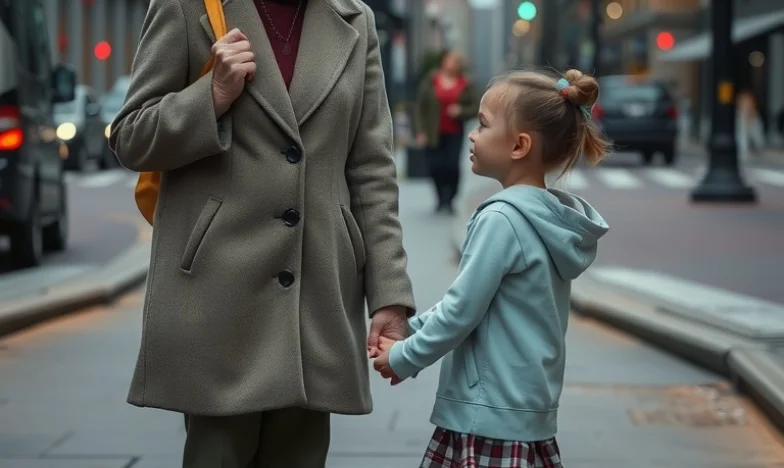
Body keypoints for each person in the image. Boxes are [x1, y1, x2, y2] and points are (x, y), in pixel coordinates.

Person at [109, 0, 416, 466]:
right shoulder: (186, 6)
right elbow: (131, 135)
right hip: (217, 292)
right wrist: (210, 95)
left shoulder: (355, 19)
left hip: (317, 296)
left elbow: (372, 168)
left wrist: (390, 294)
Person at [373, 68, 610, 467]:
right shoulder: (547, 219)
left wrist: (406, 355)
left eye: (482, 125)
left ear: (519, 145)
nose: (471, 134)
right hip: (524, 414)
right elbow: (471, 304)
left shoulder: (501, 219)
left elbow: (461, 310)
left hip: (485, 416)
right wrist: (410, 328)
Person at [415, 50, 479, 214]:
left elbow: (476, 107)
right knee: (435, 166)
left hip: (454, 132)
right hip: (433, 132)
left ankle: (450, 198)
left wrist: (461, 111)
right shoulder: (431, 81)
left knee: (451, 165)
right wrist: (420, 130)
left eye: (456, 61)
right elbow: (420, 106)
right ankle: (440, 198)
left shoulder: (465, 83)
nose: (453, 64)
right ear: (443, 61)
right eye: (450, 60)